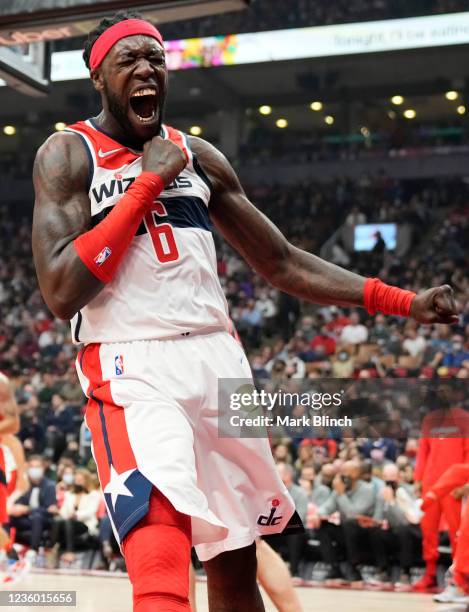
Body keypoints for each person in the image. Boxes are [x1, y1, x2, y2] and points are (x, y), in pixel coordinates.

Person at [31, 10, 459, 612]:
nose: (146, 69)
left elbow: (282, 261)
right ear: (98, 76)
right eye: (128, 60)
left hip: (218, 359)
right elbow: (60, 291)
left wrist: (402, 301)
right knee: (158, 542)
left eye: (155, 59)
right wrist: (146, 186)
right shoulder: (68, 154)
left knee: (235, 559)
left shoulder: (196, 154)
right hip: (133, 362)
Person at [413, 385, 469, 591]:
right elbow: (422, 452)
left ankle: (458, 578)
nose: (443, 393)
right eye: (440, 390)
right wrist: (418, 479)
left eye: (448, 389)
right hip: (430, 484)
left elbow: (468, 452)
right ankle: (429, 575)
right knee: (428, 533)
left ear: (457, 393)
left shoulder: (464, 418)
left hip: (453, 486)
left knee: (457, 532)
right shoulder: (429, 420)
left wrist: (464, 484)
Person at [313, 460, 377, 583]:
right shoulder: (339, 489)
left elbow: (353, 515)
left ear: (356, 475)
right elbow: (327, 507)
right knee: (322, 526)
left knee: (349, 524)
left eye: (346, 473)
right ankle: (335, 569)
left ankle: (354, 569)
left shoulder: (367, 490)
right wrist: (318, 515)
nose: (342, 476)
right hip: (346, 531)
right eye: (341, 472)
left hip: (364, 533)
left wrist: (341, 494)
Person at [9, 456, 58, 556]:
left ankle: (33, 550)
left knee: (37, 517)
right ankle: (6, 548)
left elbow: (49, 509)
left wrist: (28, 510)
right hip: (24, 519)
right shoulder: (23, 484)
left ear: (43, 468)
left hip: (42, 519)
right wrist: (16, 509)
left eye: (37, 466)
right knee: (6, 518)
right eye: (32, 466)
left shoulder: (50, 485)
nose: (35, 469)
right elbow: (19, 502)